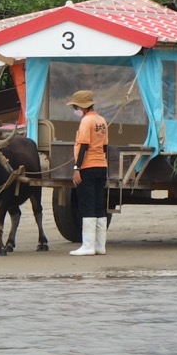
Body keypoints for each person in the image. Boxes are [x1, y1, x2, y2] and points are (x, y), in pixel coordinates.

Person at [68, 89, 109, 256]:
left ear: (82, 107)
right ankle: (100, 246)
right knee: (99, 205)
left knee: (86, 205)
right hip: (101, 166)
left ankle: (88, 246)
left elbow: (84, 146)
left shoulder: (86, 121)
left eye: (76, 107)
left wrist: (77, 169)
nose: (75, 110)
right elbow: (105, 147)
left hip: (88, 167)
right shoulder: (102, 120)